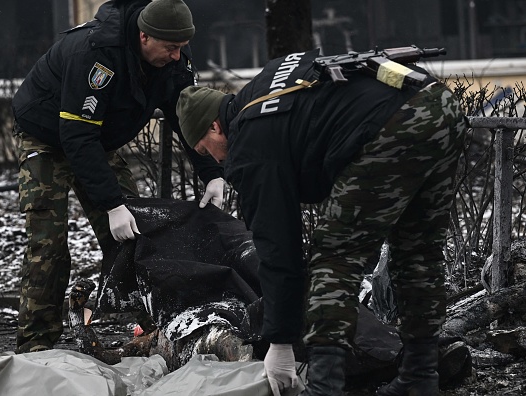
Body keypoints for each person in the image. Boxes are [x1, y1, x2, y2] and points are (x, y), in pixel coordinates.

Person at [176, 48, 466, 395]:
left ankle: (325, 388)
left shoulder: (249, 145)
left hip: (390, 128)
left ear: (213, 125)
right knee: (418, 254)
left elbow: (278, 250)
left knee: (333, 260)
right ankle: (420, 379)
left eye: (207, 149)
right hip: (438, 105)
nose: (217, 160)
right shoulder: (266, 84)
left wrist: (280, 343)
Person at [11, 0, 224, 354]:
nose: (176, 57)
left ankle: (154, 331)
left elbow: (188, 118)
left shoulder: (172, 62)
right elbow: (76, 137)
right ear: (144, 37)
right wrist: (111, 204)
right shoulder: (95, 55)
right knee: (48, 245)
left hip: (97, 138)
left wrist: (212, 174)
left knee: (135, 238)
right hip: (46, 136)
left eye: (181, 49)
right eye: (170, 48)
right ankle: (36, 346)